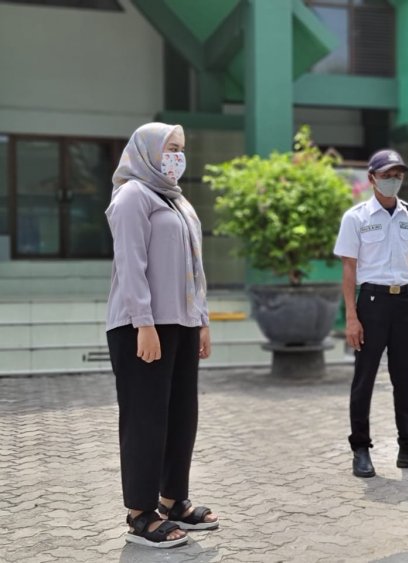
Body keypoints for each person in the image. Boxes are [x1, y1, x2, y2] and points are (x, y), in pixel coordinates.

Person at [105, 122, 219, 548]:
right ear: (149, 150)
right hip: (142, 326)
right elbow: (130, 264)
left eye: (181, 148)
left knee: (180, 415)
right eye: (170, 147)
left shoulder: (177, 201)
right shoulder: (133, 196)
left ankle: (173, 500)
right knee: (145, 417)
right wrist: (144, 323)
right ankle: (140, 512)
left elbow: (195, 269)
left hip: (182, 323)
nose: (176, 155)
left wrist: (201, 319)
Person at [334, 149, 408, 478]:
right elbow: (349, 270)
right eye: (387, 175)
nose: (393, 181)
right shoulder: (357, 218)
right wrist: (351, 317)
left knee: (405, 380)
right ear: (372, 178)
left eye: (398, 175)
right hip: (372, 304)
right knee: (365, 380)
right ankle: (360, 448)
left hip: (405, 304)